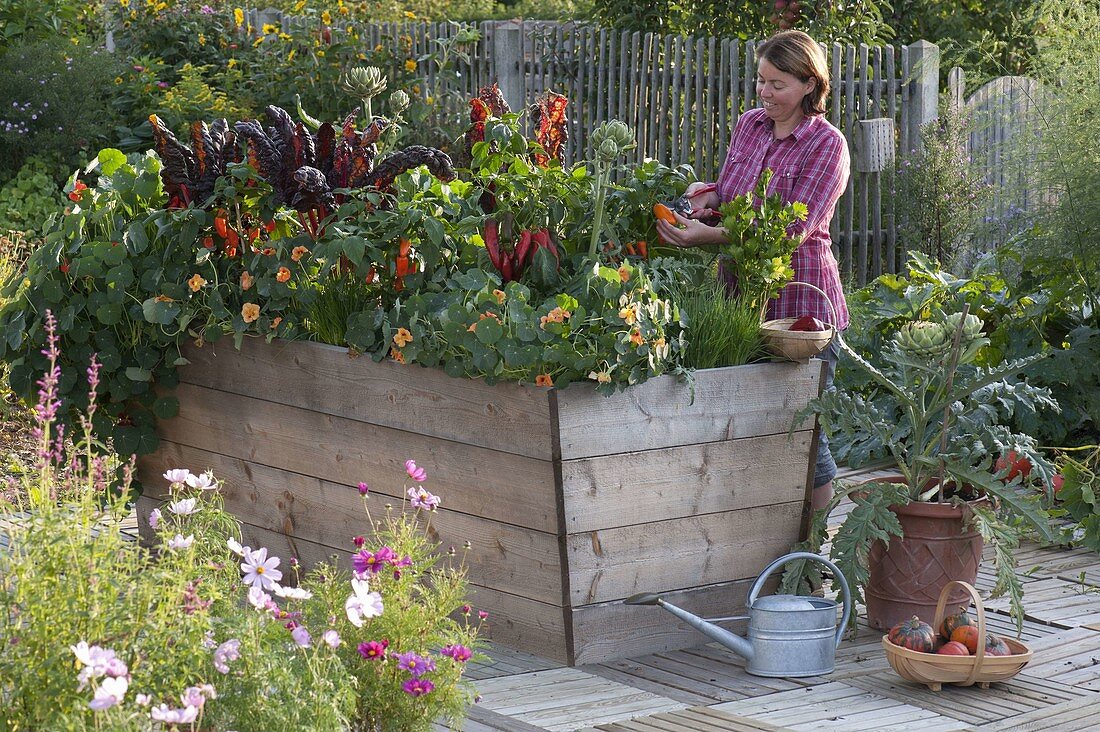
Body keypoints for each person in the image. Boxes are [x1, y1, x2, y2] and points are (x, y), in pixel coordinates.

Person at [656, 29, 850, 513]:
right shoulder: (750, 125)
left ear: (810, 84)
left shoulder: (827, 146)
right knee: (747, 431)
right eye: (761, 81)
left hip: (801, 311)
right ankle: (762, 549)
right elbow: (735, 191)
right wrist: (709, 198)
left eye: (778, 84)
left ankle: (811, 556)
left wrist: (711, 237)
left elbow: (791, 231)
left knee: (806, 440)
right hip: (739, 300)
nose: (765, 93)